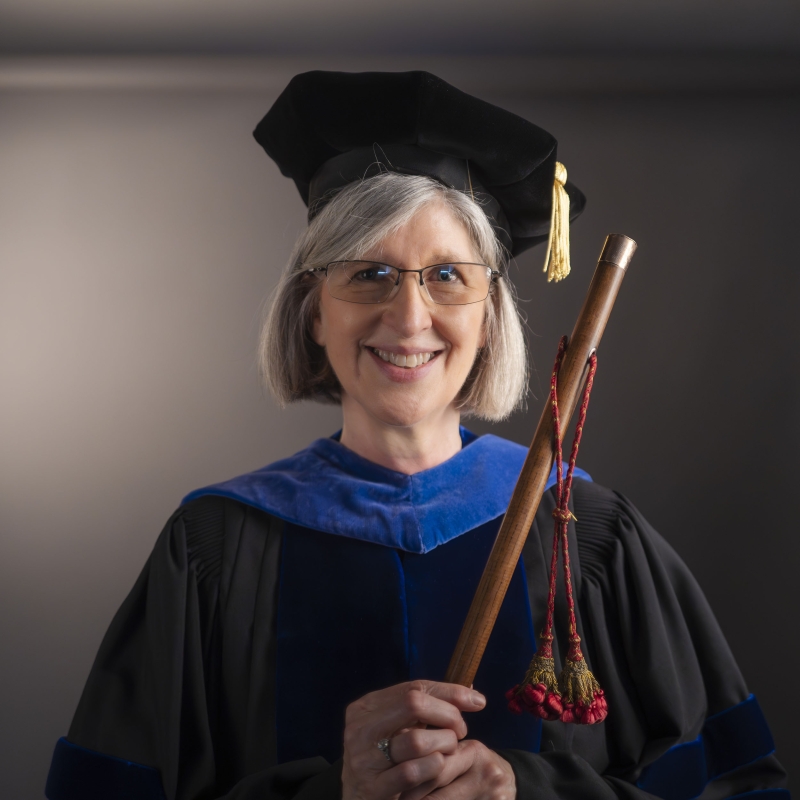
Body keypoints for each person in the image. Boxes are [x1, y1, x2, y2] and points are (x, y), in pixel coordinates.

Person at [45, 71, 789, 800]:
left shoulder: (587, 538)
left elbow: (736, 789)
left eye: (446, 275)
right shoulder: (215, 552)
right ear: (313, 312)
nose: (407, 317)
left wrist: (526, 789)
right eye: (368, 272)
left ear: (489, 315)